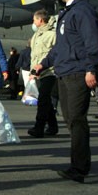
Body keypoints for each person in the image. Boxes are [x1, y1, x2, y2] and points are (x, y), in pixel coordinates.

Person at [33, 0, 98, 184]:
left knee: (77, 120)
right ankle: (78, 163)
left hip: (78, 73)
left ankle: (79, 168)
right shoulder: (67, 13)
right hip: (64, 73)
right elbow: (60, 47)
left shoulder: (83, 11)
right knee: (70, 119)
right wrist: (44, 63)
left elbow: (93, 41)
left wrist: (91, 69)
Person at [27, 9, 59, 137]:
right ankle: (53, 126)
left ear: (40, 20)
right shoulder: (37, 35)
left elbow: (56, 53)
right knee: (46, 101)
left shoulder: (52, 35)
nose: (33, 22)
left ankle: (39, 127)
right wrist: (33, 71)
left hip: (50, 72)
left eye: (34, 19)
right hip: (39, 72)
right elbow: (34, 55)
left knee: (43, 100)